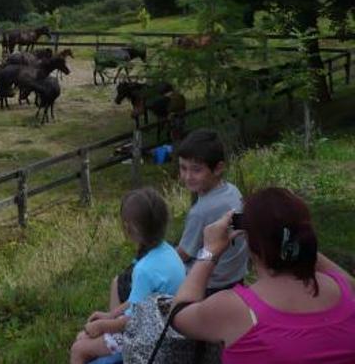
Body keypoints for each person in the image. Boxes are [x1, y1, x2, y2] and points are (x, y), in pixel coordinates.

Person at [171, 187, 355, 363]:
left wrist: (210, 250)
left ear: (252, 243)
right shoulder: (344, 288)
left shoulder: (236, 309)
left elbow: (179, 314)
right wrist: (296, 239)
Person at [70, 188, 186, 364]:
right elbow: (137, 302)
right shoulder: (169, 252)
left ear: (127, 228)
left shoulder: (144, 269)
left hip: (148, 339)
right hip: (167, 328)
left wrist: (102, 326)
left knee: (79, 348)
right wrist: (110, 315)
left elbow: (133, 321)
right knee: (83, 337)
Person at [176, 129, 248, 294]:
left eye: (196, 170)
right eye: (183, 168)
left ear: (218, 168)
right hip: (235, 275)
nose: (187, 176)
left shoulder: (201, 211)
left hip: (211, 283)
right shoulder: (232, 190)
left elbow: (183, 255)